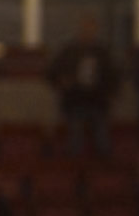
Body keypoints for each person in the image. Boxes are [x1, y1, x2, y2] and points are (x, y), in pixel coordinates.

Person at [47, 16, 120, 157]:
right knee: (75, 135)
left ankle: (103, 169)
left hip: (98, 100)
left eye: (91, 29)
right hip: (75, 99)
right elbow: (52, 72)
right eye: (85, 28)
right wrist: (61, 81)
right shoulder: (69, 51)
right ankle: (73, 169)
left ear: (95, 31)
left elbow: (114, 75)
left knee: (102, 136)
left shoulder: (102, 52)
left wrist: (111, 93)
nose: (88, 32)